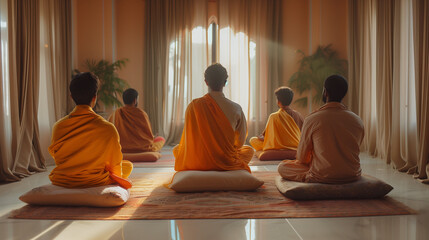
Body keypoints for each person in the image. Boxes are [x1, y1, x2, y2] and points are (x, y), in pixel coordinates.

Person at [49, 72, 133, 189]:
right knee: (128, 166)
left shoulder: (58, 126)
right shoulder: (108, 128)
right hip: (95, 180)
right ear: (95, 97)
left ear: (71, 97)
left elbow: (57, 157)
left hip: (64, 180)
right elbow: (115, 166)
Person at [278, 75, 364, 183]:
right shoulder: (357, 120)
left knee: (283, 167)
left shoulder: (313, 119)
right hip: (352, 174)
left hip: (323, 175)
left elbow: (302, 158)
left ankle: (310, 176)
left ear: (325, 92)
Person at [174, 63, 254, 172]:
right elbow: (239, 142)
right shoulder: (236, 108)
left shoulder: (193, 105)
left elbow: (189, 138)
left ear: (206, 82)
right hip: (225, 161)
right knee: (248, 150)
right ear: (225, 82)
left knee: (177, 149)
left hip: (198, 160)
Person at [109, 88, 165, 153]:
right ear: (135, 100)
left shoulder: (116, 113)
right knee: (161, 139)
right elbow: (148, 135)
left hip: (121, 148)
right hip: (142, 148)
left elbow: (110, 132)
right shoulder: (141, 114)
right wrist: (153, 137)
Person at [249, 87, 303, 155]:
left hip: (276, 147)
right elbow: (303, 133)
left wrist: (261, 138)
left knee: (253, 140)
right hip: (295, 146)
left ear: (278, 101)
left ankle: (277, 150)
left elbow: (265, 136)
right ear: (291, 100)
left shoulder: (273, 116)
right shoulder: (298, 115)